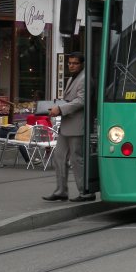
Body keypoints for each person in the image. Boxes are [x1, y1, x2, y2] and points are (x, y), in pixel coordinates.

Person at [43, 53, 95, 203]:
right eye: (70, 63)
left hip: (78, 125)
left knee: (77, 159)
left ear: (82, 64)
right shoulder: (72, 78)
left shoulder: (85, 79)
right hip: (67, 125)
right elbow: (71, 100)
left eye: (75, 63)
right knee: (59, 156)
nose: (71, 66)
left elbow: (81, 101)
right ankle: (61, 191)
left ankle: (85, 192)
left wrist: (60, 109)